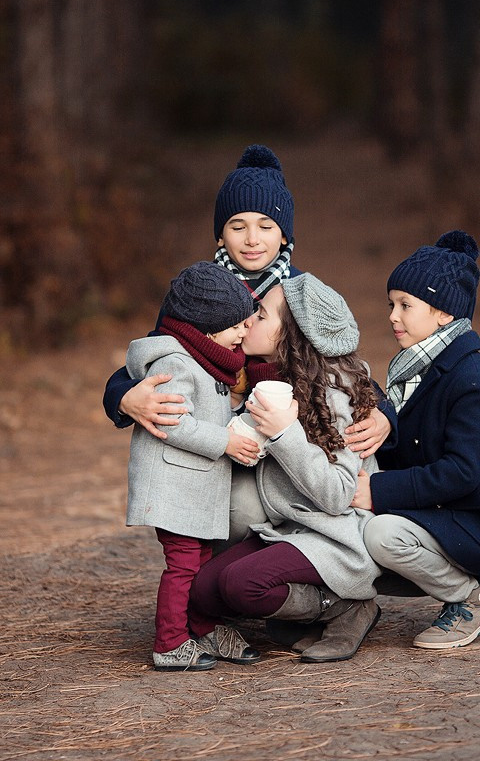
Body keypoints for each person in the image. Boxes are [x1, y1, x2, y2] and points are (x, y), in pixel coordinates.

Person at [102, 144, 392, 459]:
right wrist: (123, 397)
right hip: (212, 441)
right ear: (220, 236)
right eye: (238, 227)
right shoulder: (198, 290)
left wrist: (385, 415)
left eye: (265, 227)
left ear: (284, 236)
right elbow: (155, 350)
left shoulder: (298, 291)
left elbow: (339, 359)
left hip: (285, 446)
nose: (252, 239)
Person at [190, 274, 383, 664]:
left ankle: (345, 606)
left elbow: (337, 495)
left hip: (335, 534)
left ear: (289, 334)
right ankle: (302, 609)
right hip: (287, 529)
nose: (248, 322)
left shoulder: (335, 392)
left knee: (241, 585)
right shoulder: (270, 382)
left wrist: (283, 433)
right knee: (202, 590)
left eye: (260, 315)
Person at [352, 231, 480, 650]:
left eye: (406, 306)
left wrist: (375, 491)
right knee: (362, 529)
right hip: (446, 510)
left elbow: (461, 473)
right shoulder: (414, 371)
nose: (393, 316)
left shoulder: (472, 380)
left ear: (444, 314)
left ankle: (474, 596)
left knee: (381, 535)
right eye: (391, 304)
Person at [122, 261, 263, 672]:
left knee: (201, 562)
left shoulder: (207, 358)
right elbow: (174, 422)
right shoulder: (178, 363)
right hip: (174, 488)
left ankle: (202, 626)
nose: (244, 333)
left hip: (193, 487)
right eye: (237, 325)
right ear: (207, 326)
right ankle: (168, 642)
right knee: (184, 565)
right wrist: (226, 442)